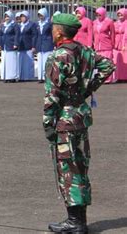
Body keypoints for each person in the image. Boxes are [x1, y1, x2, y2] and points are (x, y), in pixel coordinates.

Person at [43, 13, 115, 233]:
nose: (52, 31)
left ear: (59, 31)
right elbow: (108, 66)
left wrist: (47, 122)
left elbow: (52, 94)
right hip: (81, 116)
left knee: (68, 168)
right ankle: (78, 220)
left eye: (53, 28)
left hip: (64, 120)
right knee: (80, 167)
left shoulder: (57, 56)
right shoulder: (83, 50)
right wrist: (88, 88)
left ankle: (75, 222)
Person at [93, 7, 116, 83]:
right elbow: (93, 34)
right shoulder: (94, 22)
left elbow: (113, 33)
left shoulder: (109, 22)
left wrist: (113, 43)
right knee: (99, 62)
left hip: (106, 45)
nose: (98, 16)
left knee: (108, 62)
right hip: (97, 46)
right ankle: (101, 77)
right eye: (97, 14)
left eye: (99, 14)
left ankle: (109, 79)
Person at [0, 10, 20, 83]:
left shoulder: (14, 25)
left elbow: (17, 35)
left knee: (12, 62)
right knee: (5, 62)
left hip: (11, 45)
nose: (7, 18)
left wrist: (15, 44)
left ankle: (12, 77)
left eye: (8, 16)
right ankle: (6, 77)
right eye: (5, 17)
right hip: (4, 46)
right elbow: (0, 35)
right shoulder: (3, 25)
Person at [35, 7, 54, 83]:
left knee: (46, 61)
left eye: (41, 15)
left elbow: (52, 34)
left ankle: (46, 77)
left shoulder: (49, 23)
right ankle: (40, 77)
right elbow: (36, 35)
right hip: (40, 44)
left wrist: (53, 43)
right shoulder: (38, 24)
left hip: (47, 44)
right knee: (40, 61)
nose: (40, 17)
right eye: (39, 15)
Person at [18, 10, 37, 81]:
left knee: (28, 63)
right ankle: (21, 77)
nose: (22, 18)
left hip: (28, 46)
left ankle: (28, 77)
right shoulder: (20, 25)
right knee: (21, 62)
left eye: (24, 16)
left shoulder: (32, 25)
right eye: (21, 17)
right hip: (21, 46)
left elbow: (34, 36)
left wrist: (33, 46)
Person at [113, 8, 127, 81]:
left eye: (121, 14)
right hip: (116, 43)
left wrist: (125, 44)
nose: (120, 16)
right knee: (117, 61)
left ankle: (125, 77)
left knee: (125, 60)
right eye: (118, 14)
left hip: (124, 43)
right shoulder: (115, 23)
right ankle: (118, 77)